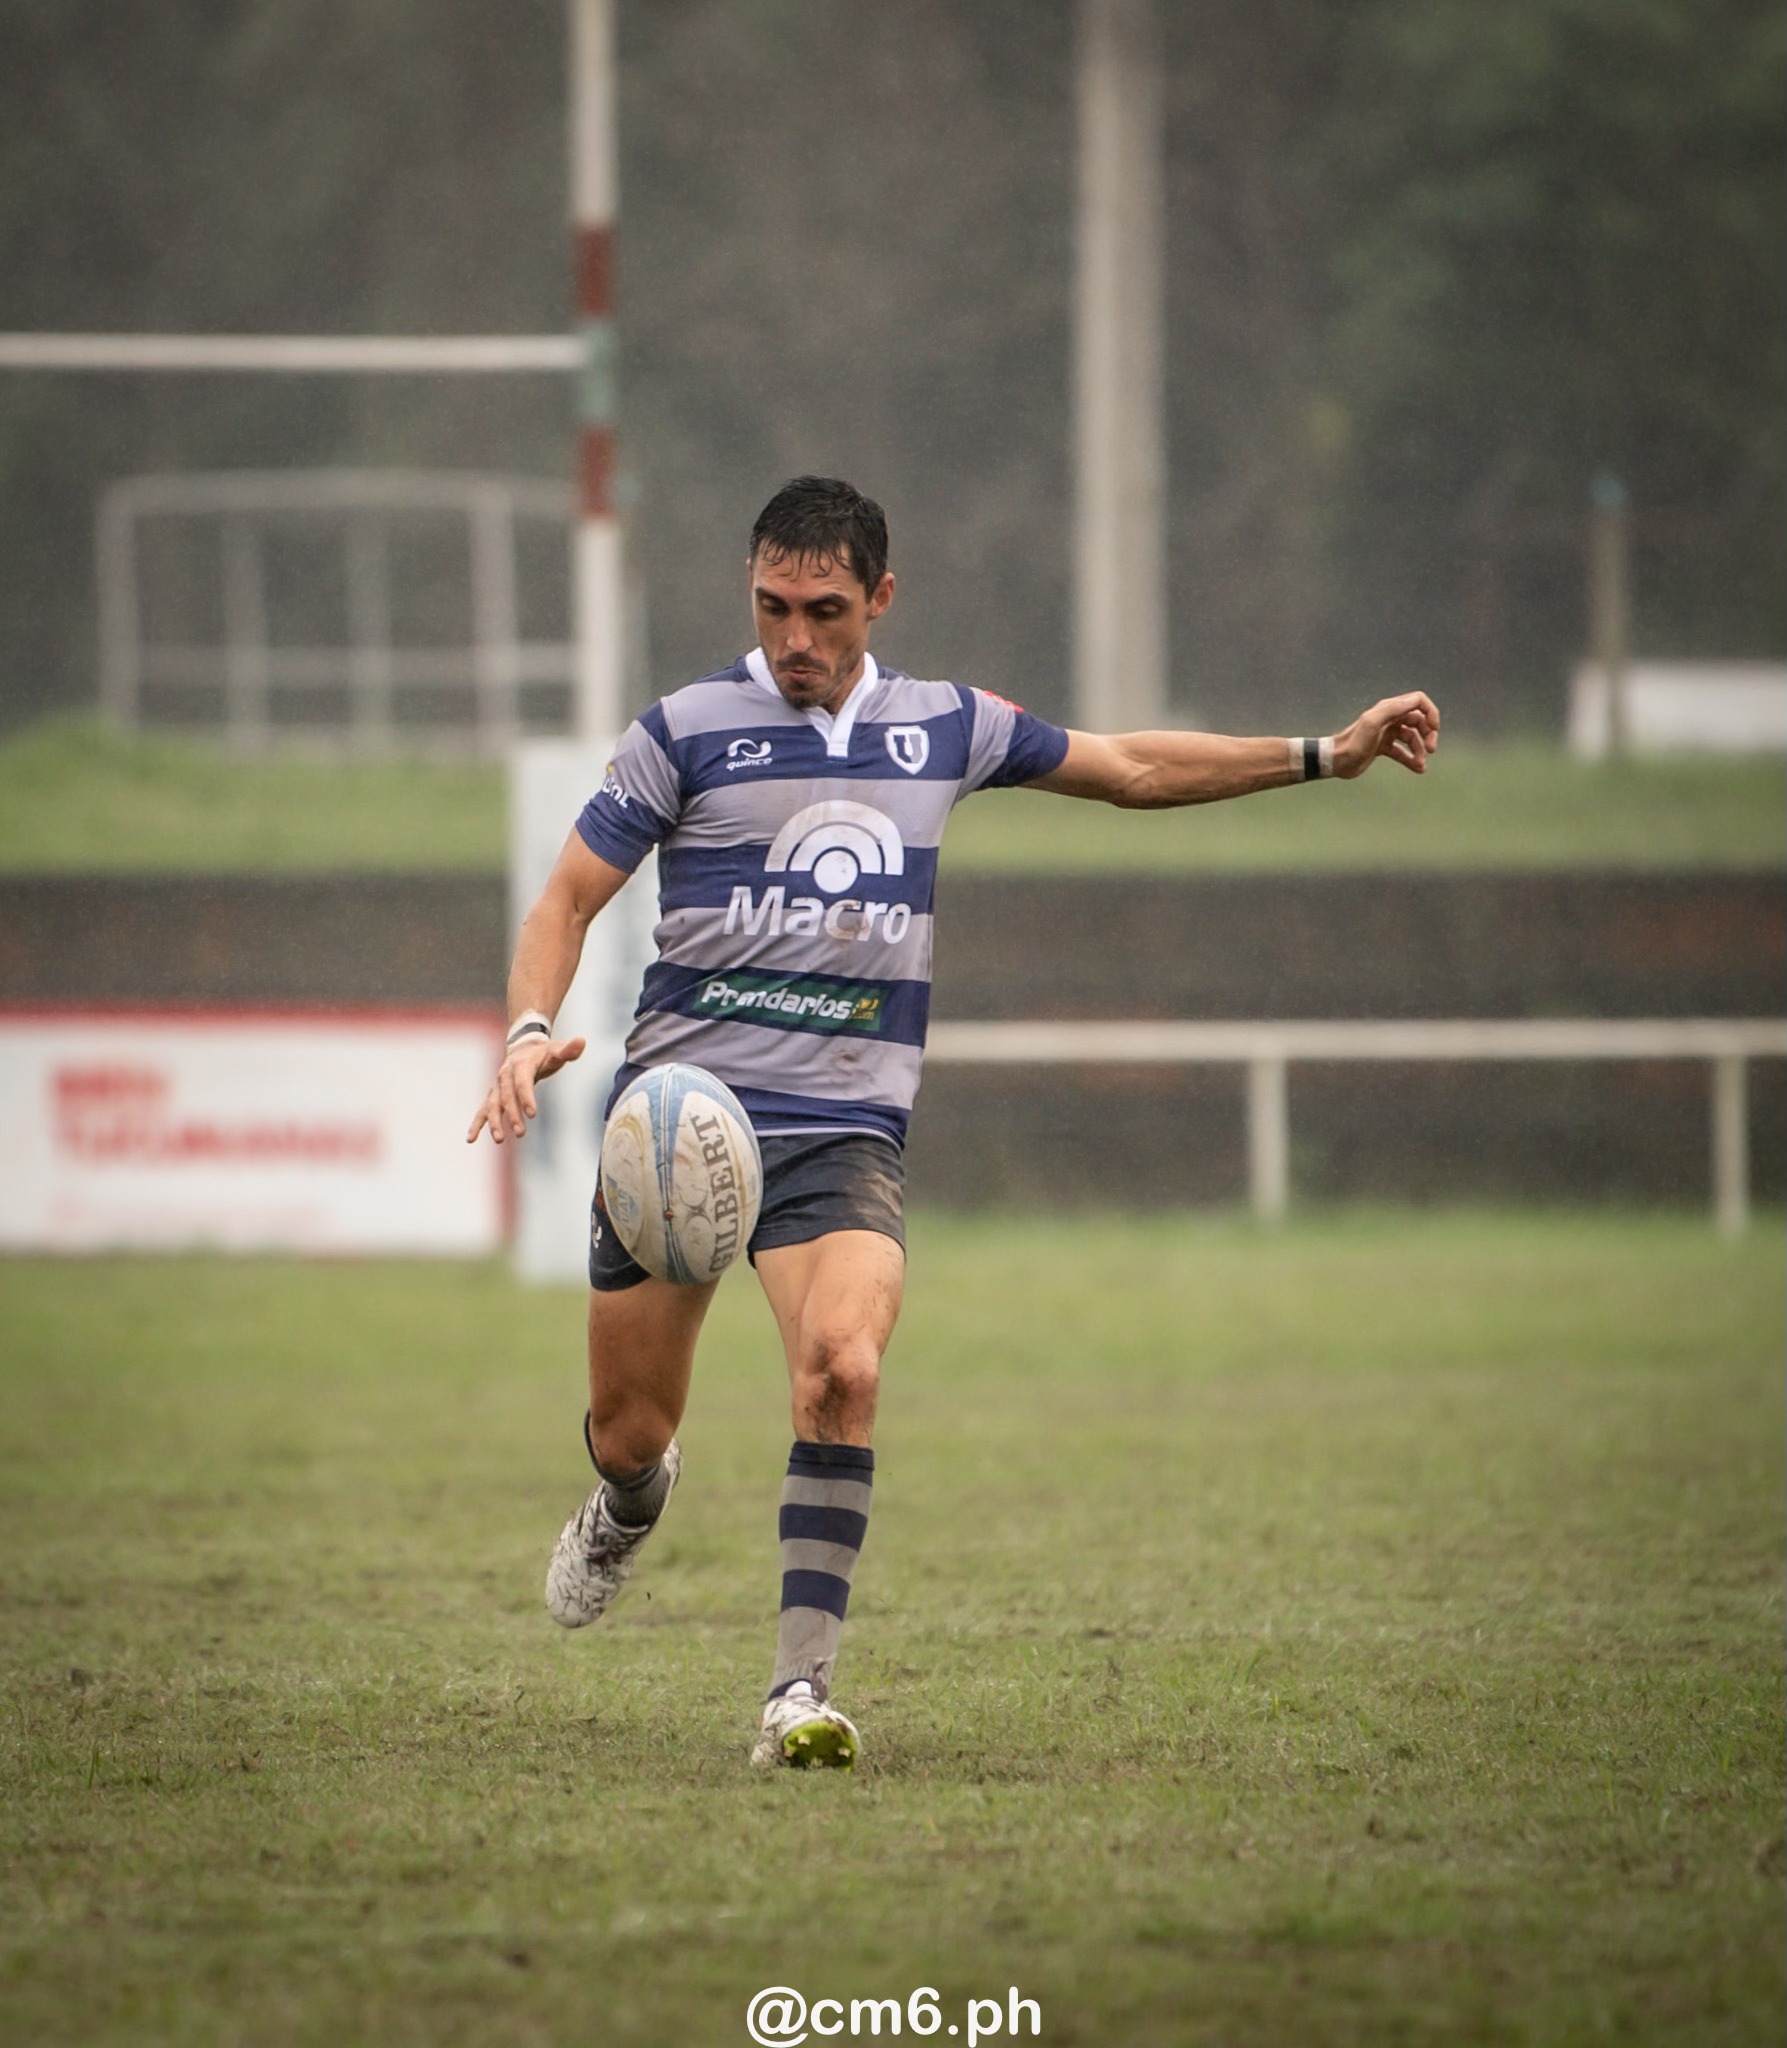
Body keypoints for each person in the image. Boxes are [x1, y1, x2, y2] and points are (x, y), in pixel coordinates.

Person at [467, 474, 1439, 1770]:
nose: (794, 639)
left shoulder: (946, 727)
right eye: (770, 608)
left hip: (839, 1134)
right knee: (632, 1426)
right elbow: (566, 900)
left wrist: (1326, 751)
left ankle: (796, 1697)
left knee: (844, 1371)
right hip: (679, 1123)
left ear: (881, 598)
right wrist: (530, 1030)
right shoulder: (687, 730)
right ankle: (632, 1498)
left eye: (823, 611)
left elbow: (1132, 764)